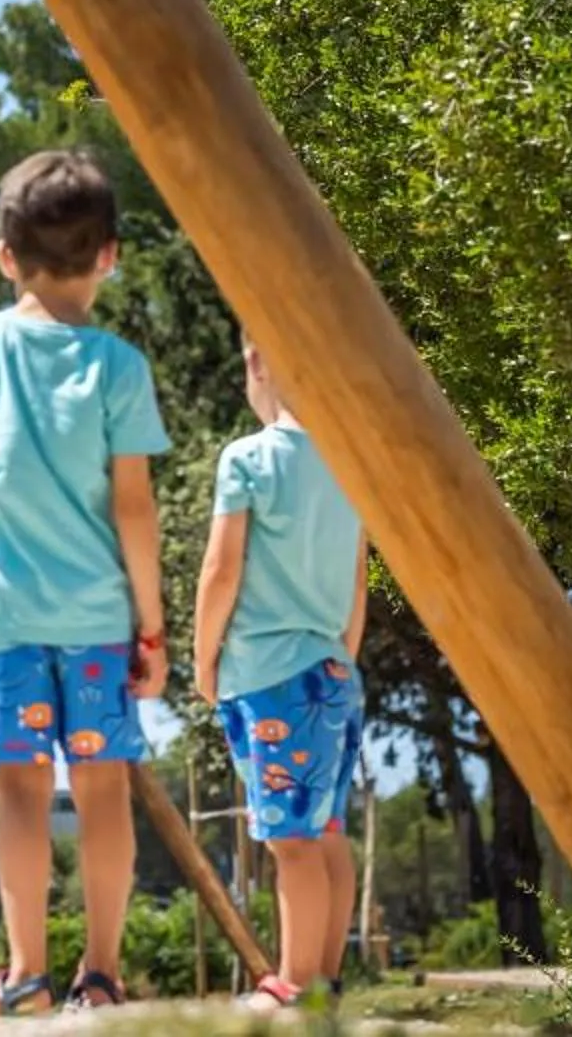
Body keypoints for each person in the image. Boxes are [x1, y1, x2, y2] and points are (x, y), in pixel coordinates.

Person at [0, 148, 170, 1016]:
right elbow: (134, 507)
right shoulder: (120, 368)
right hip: (98, 622)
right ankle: (99, 978)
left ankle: (23, 977)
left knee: (18, 792)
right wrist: (151, 622)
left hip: (0, 619)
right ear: (110, 254)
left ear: (4, 254)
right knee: (103, 795)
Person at [195, 340, 368, 1012]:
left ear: (260, 361)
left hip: (268, 674)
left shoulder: (248, 458)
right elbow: (355, 585)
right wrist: (341, 659)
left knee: (290, 840)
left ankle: (294, 986)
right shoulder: (348, 468)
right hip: (334, 671)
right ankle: (323, 985)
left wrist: (204, 659)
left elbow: (221, 570)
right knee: (324, 831)